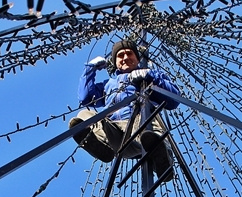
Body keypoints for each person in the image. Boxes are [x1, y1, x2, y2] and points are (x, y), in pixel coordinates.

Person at [69, 39, 181, 182]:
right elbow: (86, 98)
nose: (125, 58)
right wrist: (90, 68)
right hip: (116, 133)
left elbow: (173, 100)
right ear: (115, 62)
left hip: (141, 129)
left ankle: (162, 159)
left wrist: (150, 76)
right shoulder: (108, 84)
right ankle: (101, 145)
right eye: (120, 56)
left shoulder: (150, 76)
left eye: (129, 54)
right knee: (85, 115)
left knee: (148, 125)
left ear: (137, 58)